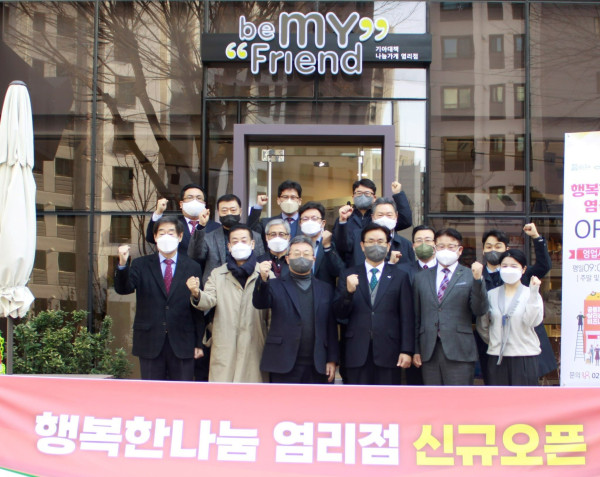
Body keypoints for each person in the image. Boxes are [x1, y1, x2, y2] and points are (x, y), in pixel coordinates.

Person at [115, 216, 204, 381]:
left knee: (181, 391)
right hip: (150, 340)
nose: (166, 237)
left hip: (183, 341)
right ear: (155, 237)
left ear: (180, 236)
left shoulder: (192, 266)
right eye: (161, 233)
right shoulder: (141, 264)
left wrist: (199, 343)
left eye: (171, 233)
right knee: (151, 392)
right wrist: (122, 264)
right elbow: (123, 289)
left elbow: (197, 308)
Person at [186, 225, 270, 383]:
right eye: (235, 241)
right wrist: (196, 293)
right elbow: (208, 300)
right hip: (225, 344)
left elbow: (272, 313)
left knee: (252, 392)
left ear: (252, 244)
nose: (239, 245)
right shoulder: (218, 274)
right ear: (229, 246)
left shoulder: (265, 273)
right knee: (222, 392)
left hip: (254, 344)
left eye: (244, 240)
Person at [333, 224, 414, 385]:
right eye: (370, 241)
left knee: (387, 398)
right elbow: (339, 314)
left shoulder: (400, 276)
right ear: (362, 246)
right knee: (357, 398)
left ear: (388, 246)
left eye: (380, 241)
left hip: (389, 351)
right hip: (356, 351)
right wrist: (348, 293)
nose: (375, 245)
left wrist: (406, 350)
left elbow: (407, 316)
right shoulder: (348, 274)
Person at [253, 236, 338, 384]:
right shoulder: (274, 285)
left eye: (306, 254)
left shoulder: (325, 289)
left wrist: (332, 359)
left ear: (313, 259)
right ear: (287, 259)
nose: (301, 257)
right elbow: (260, 303)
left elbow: (331, 326)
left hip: (317, 363)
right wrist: (263, 279)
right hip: (283, 361)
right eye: (296, 253)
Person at [479, 223, 556, 380]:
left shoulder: (521, 275)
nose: (493, 250)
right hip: (495, 351)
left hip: (523, 349)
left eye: (498, 246)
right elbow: (482, 322)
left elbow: (544, 265)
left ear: (506, 249)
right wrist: (496, 338)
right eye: (489, 246)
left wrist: (536, 237)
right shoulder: (477, 276)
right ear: (483, 250)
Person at [413, 228, 489, 385]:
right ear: (435, 248)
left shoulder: (469, 275)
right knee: (433, 397)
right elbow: (416, 316)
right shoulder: (421, 278)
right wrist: (415, 350)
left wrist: (478, 281)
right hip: (429, 350)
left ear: (460, 250)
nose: (445, 250)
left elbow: (479, 310)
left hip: (459, 349)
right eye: (441, 246)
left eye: (451, 246)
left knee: (458, 398)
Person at [476, 249, 543, 386]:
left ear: (523, 269)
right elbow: (483, 325)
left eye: (514, 266)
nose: (508, 270)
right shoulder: (491, 294)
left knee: (523, 398)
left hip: (524, 356)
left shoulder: (530, 294)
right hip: (497, 356)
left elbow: (532, 321)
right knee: (499, 398)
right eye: (505, 266)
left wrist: (534, 292)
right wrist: (496, 341)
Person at [188, 193, 265, 285]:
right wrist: (201, 225)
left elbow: (261, 261)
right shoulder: (209, 238)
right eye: (224, 211)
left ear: (240, 211)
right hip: (217, 287)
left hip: (248, 285)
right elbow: (194, 255)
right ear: (218, 213)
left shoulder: (255, 236)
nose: (229, 213)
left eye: (233, 210)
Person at [333, 180, 412, 266]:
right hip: (354, 267)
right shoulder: (345, 218)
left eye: (367, 193)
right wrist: (343, 220)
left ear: (374, 197)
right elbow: (339, 245)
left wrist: (398, 194)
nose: (363, 196)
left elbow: (405, 221)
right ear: (353, 197)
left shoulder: (379, 217)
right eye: (359, 193)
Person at [396, 224, 437, 385]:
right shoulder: (402, 271)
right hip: (412, 342)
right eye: (419, 241)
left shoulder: (446, 271)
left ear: (435, 244)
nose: (423, 244)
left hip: (440, 344)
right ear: (413, 246)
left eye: (428, 240)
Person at [145, 184, 220, 255]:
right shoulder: (173, 224)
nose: (195, 201)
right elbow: (151, 238)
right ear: (181, 204)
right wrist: (158, 212)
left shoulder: (216, 227)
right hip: (179, 264)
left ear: (204, 204)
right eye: (190, 197)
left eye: (199, 198)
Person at [298, 201, 345, 287]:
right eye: (305, 219)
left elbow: (339, 272)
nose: (310, 222)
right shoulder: (295, 245)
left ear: (323, 223)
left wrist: (327, 247)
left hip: (324, 293)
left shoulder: (332, 242)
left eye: (314, 218)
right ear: (300, 223)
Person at [248, 180, 303, 244]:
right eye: (285, 197)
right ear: (278, 200)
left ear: (299, 201)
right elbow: (251, 232)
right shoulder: (266, 223)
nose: (289, 200)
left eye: (293, 197)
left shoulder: (306, 222)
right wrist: (259, 206)